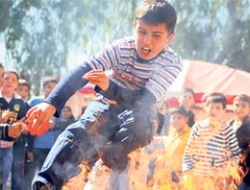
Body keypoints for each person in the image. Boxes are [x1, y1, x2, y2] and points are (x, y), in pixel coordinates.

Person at [26, 0, 183, 189]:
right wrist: (51, 103)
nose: (146, 41)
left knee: (139, 120)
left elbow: (143, 101)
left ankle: (109, 162)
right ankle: (47, 183)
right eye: (141, 32)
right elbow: (84, 70)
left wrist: (109, 87)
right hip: (108, 105)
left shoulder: (171, 62)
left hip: (144, 114)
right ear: (134, 27)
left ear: (170, 38)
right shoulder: (122, 48)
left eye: (156, 35)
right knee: (82, 131)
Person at [182, 92, 241, 190]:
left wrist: (226, 172)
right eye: (211, 107)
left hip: (216, 180)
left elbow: (235, 154)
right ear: (206, 108)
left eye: (218, 108)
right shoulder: (198, 126)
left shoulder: (227, 130)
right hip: (196, 177)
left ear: (224, 110)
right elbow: (188, 151)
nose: (214, 110)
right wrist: (187, 171)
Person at [24, 76, 58, 190]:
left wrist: (54, 124)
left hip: (50, 147)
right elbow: (26, 120)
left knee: (45, 178)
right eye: (49, 87)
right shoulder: (35, 101)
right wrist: (28, 147)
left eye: (55, 87)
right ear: (43, 88)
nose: (52, 90)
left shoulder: (59, 105)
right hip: (33, 146)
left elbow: (61, 123)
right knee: (28, 177)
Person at [0, 70, 26, 189]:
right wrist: (2, 121)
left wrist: (21, 126)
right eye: (6, 78)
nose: (9, 81)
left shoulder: (20, 101)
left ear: (17, 85)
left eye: (13, 80)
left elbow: (22, 120)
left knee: (4, 178)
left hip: (9, 146)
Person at [229, 94, 250, 190]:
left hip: (244, 175)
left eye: (243, 106)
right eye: (237, 105)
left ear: (249, 109)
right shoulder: (227, 125)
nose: (239, 108)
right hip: (227, 172)